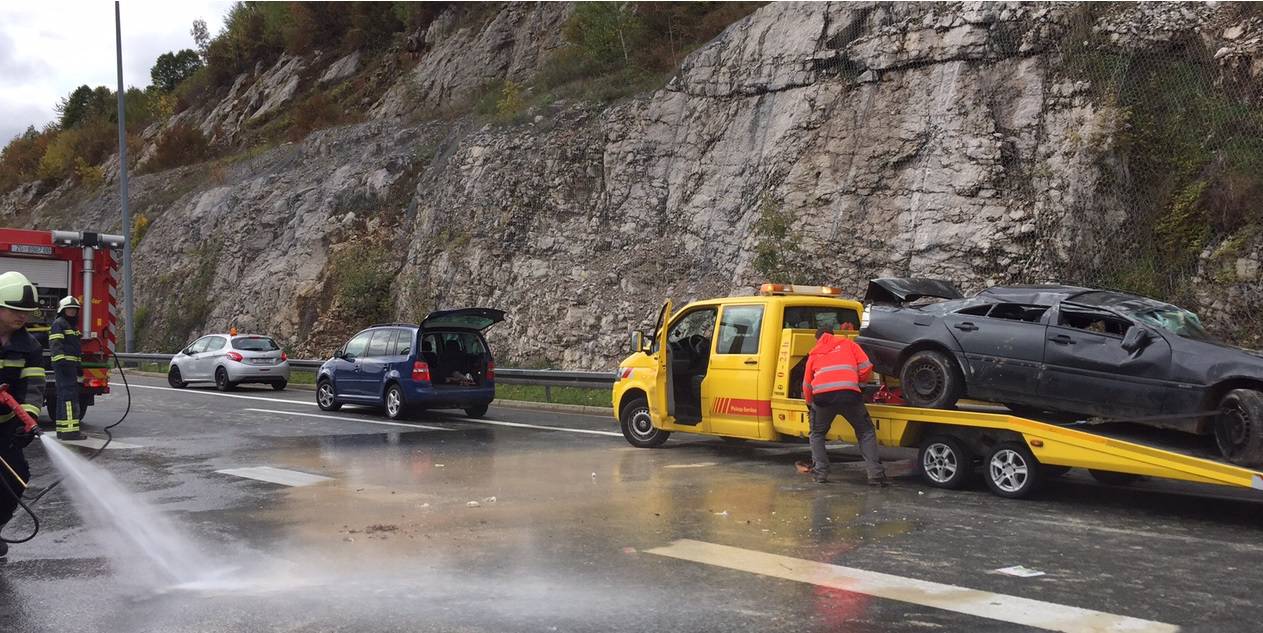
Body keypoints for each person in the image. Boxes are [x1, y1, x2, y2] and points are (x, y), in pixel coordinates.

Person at [800, 325, 886, 485]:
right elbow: (867, 366)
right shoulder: (849, 344)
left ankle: (820, 474)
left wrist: (809, 404)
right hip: (849, 395)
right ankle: (876, 475)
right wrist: (860, 383)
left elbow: (807, 385)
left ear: (818, 339)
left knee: (817, 434)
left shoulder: (814, 354)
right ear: (834, 335)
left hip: (823, 398)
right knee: (865, 431)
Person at [0, 272, 47, 556]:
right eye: (16, 310)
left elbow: (33, 387)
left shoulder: (29, 347)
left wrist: (26, 421)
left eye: (27, 312)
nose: (23, 317)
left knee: (17, 476)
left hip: (5, 426)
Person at [50, 296, 84, 441]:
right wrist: (61, 361)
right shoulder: (59, 323)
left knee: (63, 397)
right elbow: (55, 344)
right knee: (69, 398)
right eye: (69, 309)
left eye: (74, 310)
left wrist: (79, 366)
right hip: (64, 367)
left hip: (70, 367)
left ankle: (62, 430)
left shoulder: (71, 326)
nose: (72, 312)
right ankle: (70, 432)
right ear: (63, 310)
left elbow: (75, 349)